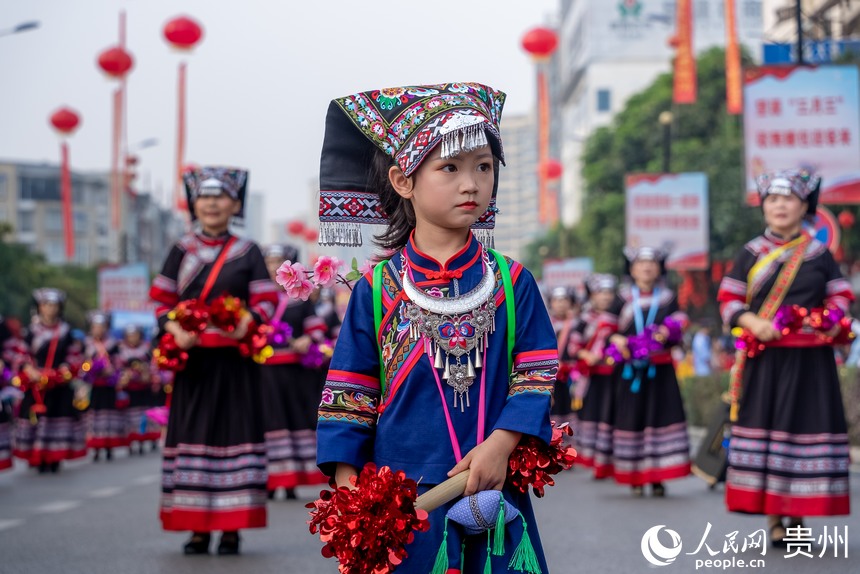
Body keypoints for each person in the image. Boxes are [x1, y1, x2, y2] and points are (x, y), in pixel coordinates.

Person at [314, 83, 558, 572]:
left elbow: (535, 373)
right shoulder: (377, 288)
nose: (472, 184)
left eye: (483, 167)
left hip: (492, 488)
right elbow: (350, 396)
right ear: (404, 181)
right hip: (404, 505)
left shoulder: (511, 282)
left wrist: (500, 444)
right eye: (450, 167)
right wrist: (355, 502)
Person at [717, 170, 853, 546]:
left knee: (804, 431)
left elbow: (841, 297)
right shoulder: (750, 253)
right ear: (764, 207)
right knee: (772, 431)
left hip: (811, 362)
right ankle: (776, 516)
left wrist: (829, 319)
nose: (780, 206)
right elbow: (729, 300)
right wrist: (750, 322)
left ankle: (798, 512)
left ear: (805, 206)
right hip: (766, 361)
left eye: (789, 199)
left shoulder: (819, 254)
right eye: (773, 199)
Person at [149, 167, 279, 555]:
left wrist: (248, 321)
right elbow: (159, 299)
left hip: (235, 367)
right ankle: (198, 529)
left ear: (234, 204)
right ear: (194, 205)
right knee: (195, 438)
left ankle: (232, 527)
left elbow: (267, 300)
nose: (211, 203)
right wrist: (173, 328)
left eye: (220, 196)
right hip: (194, 368)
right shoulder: (181, 250)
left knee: (234, 437)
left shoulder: (248, 251)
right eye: (204, 197)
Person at [607, 247, 691, 497]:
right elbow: (606, 328)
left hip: (661, 370)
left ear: (659, 269)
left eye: (652, 263)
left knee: (660, 418)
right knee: (633, 418)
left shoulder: (667, 297)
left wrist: (669, 332)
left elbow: (680, 324)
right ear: (632, 270)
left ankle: (658, 476)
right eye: (641, 264)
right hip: (631, 371)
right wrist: (617, 340)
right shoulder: (622, 298)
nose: (646, 268)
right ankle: (634, 476)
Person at [260, 244, 328, 500]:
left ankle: (290, 480)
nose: (272, 267)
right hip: (264, 374)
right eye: (269, 262)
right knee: (268, 423)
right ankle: (269, 479)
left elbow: (317, 330)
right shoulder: (258, 300)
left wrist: (308, 340)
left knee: (293, 421)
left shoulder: (300, 297)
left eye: (278, 261)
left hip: (294, 375)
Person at [13, 289, 86, 473]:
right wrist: (30, 370)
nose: (50, 309)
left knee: (56, 418)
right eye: (46, 305)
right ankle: (37, 457)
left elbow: (74, 358)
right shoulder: (31, 331)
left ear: (59, 308)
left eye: (54, 305)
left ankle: (55, 457)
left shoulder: (66, 332)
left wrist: (63, 370)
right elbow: (21, 355)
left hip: (58, 385)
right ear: (39, 307)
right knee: (36, 419)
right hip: (36, 385)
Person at [565, 274, 620, 477]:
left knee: (613, 418)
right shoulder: (585, 320)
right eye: (601, 293)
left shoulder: (620, 318)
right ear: (592, 296)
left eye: (609, 293)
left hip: (615, 375)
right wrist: (585, 354)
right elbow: (573, 346)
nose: (606, 297)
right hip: (593, 378)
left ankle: (613, 463)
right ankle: (596, 461)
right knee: (594, 417)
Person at [83, 310, 126, 461]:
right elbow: (82, 364)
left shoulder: (113, 344)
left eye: (101, 326)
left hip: (109, 385)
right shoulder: (88, 344)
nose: (98, 329)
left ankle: (109, 446)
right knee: (95, 414)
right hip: (95, 385)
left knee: (109, 415)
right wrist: (90, 368)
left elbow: (119, 363)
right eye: (95, 326)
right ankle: (96, 447)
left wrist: (111, 371)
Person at [116, 324, 158, 454]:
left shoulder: (146, 349)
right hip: (130, 389)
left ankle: (147, 438)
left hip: (144, 388)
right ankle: (132, 439)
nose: (133, 338)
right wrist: (125, 376)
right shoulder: (122, 351)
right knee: (130, 415)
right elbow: (118, 369)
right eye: (130, 336)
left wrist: (148, 374)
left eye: (135, 335)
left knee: (145, 414)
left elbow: (153, 365)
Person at [548, 287, 579, 423]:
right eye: (557, 300)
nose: (561, 303)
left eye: (565, 300)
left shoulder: (577, 323)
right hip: (551, 372)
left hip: (573, 373)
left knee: (572, 403)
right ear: (551, 303)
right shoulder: (546, 323)